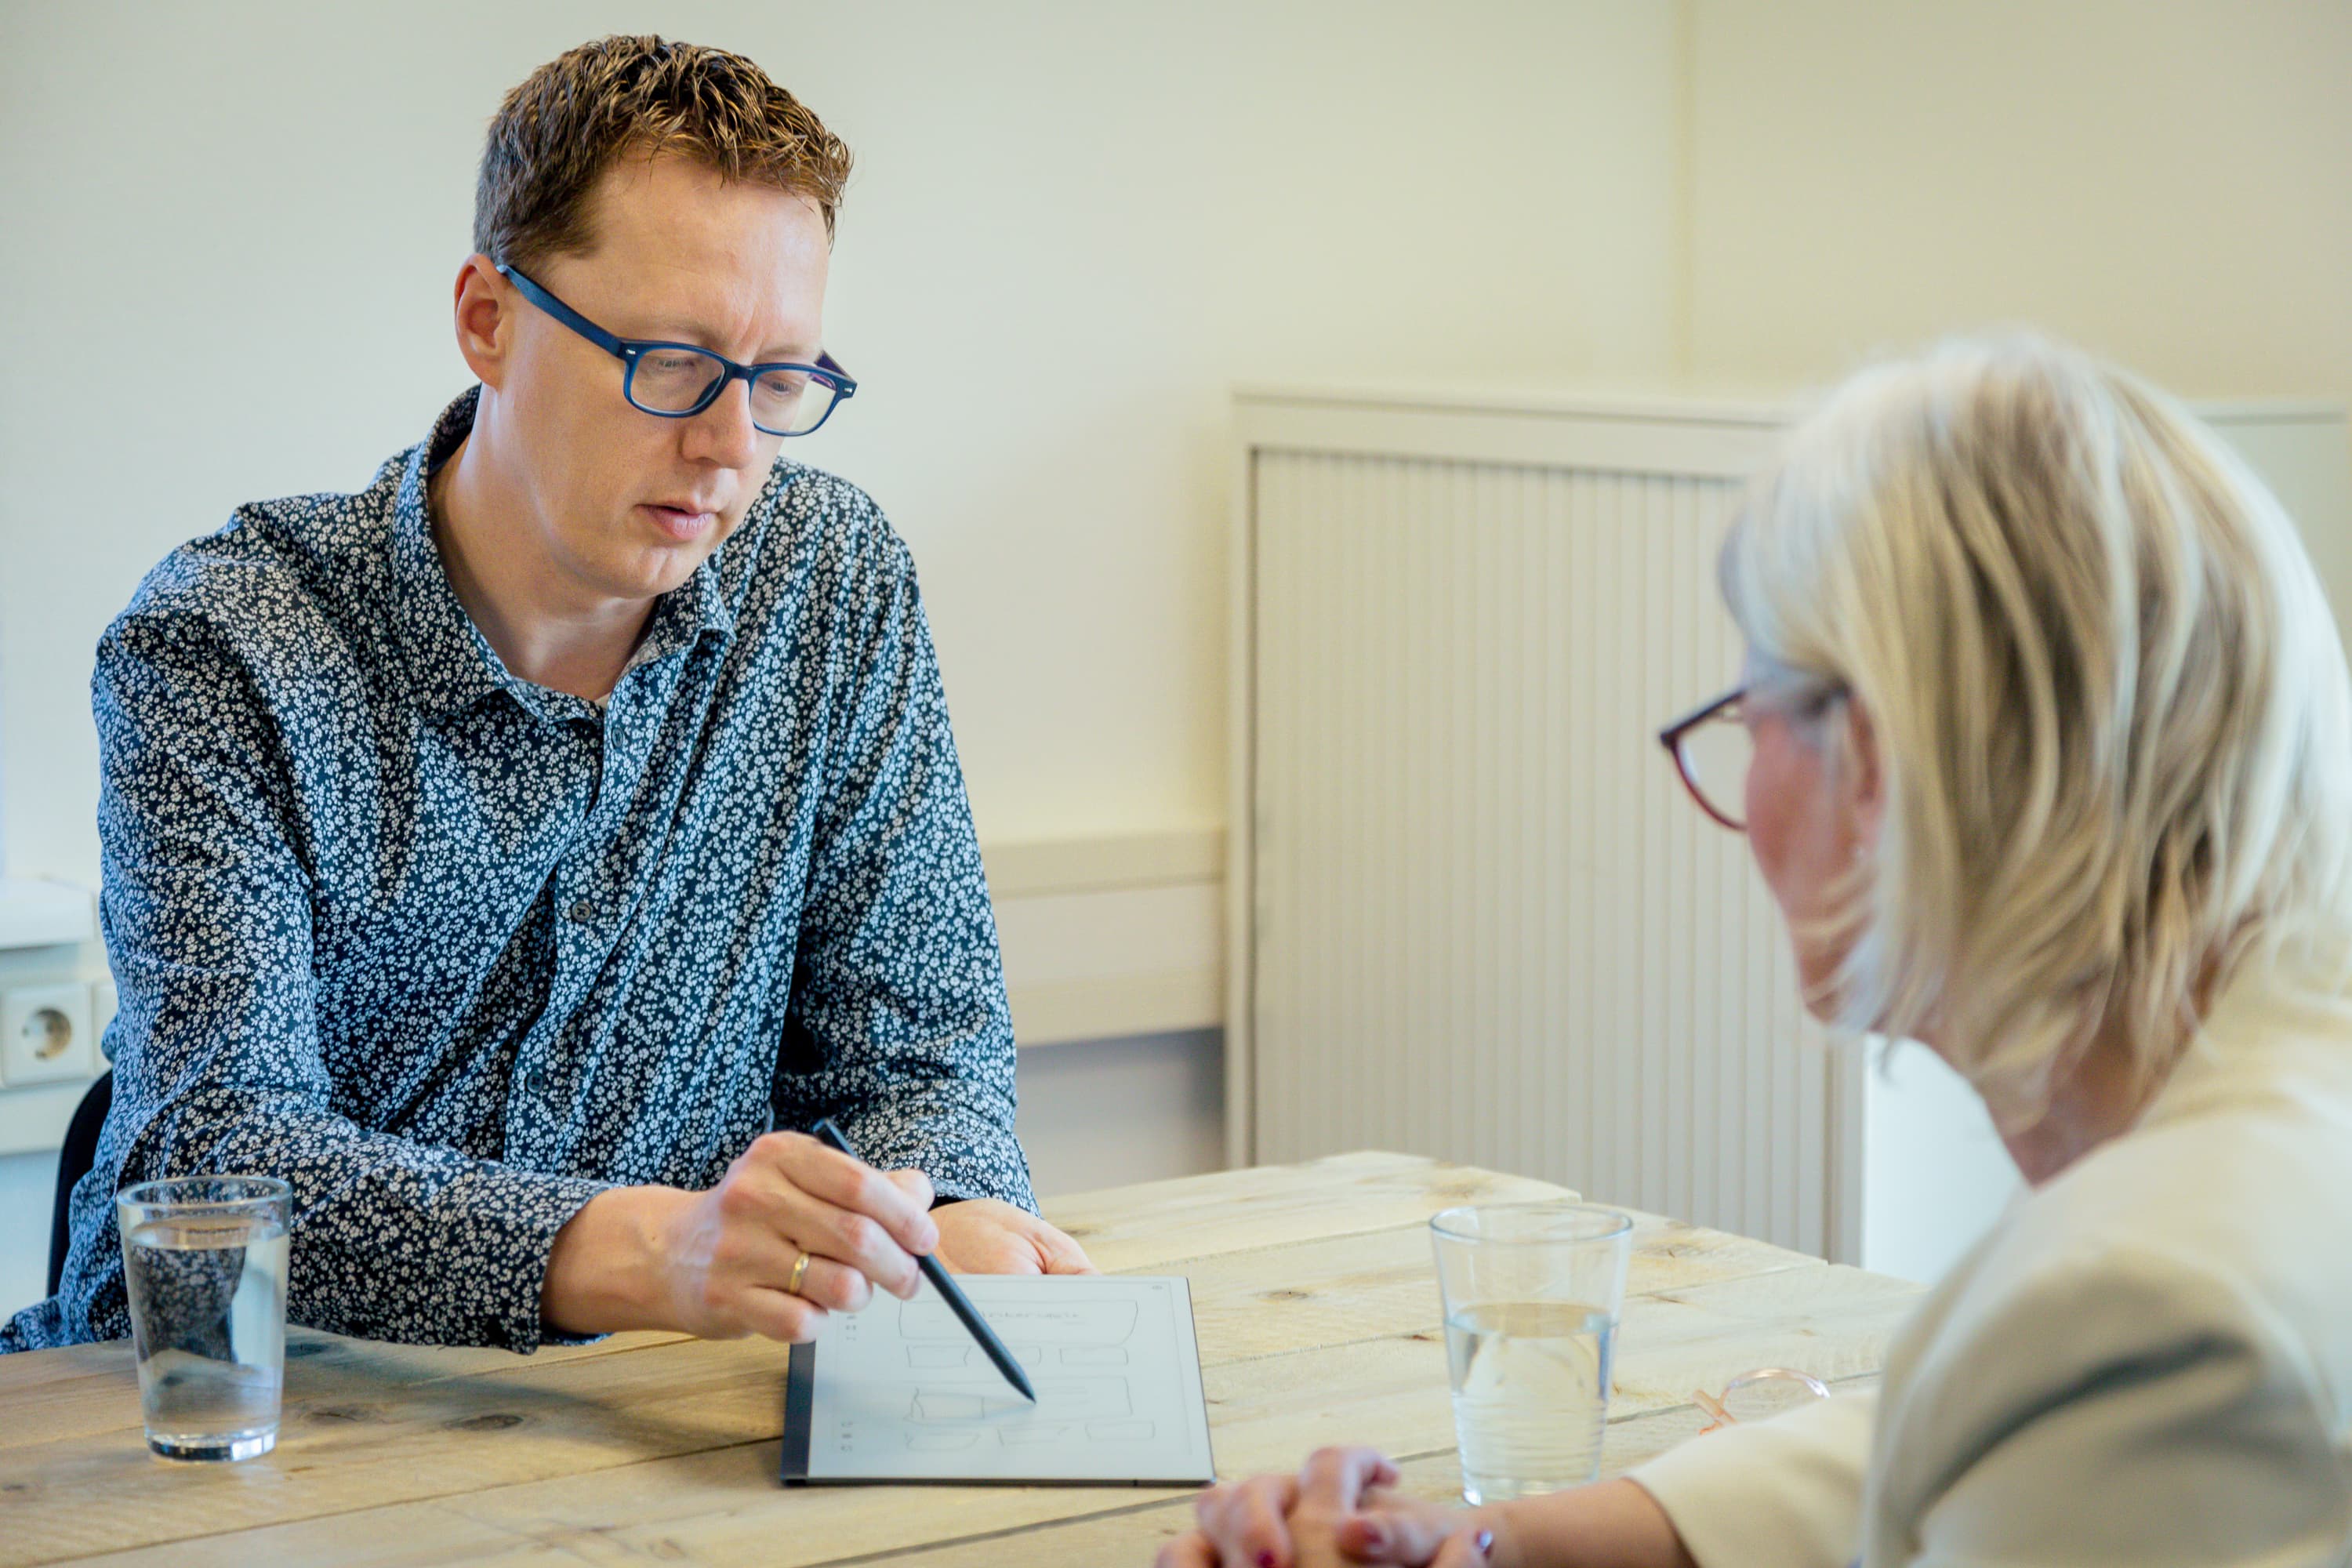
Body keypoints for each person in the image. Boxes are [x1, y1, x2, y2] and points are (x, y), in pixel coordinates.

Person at [1161, 335, 2352, 1566]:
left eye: (1750, 717)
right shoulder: (2234, 1177)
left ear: (1880, 759)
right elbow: (1955, 1445)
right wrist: (1480, 1545)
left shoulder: (2152, 1302)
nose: (1739, 793)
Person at [2, 34, 1091, 1357]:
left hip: (642, 1424)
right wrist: (647, 1249)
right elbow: (219, 1162)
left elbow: (918, 1053)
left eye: (782, 379)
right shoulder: (228, 646)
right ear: (489, 320)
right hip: (249, 1422)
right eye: (672, 363)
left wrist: (947, 1211)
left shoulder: (829, 579)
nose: (731, 447)